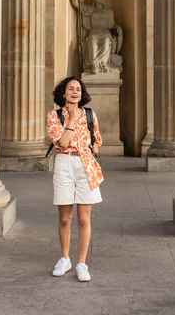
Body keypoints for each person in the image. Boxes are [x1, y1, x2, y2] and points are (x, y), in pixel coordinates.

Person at [47, 76, 103, 282]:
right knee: (64, 217)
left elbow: (97, 138)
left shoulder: (89, 114)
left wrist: (93, 148)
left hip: (86, 165)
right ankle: (64, 258)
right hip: (64, 163)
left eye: (78, 89)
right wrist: (71, 119)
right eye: (71, 88)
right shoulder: (54, 116)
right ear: (63, 93)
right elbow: (61, 143)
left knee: (83, 218)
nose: (75, 91)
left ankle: (81, 263)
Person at [69, 0, 123, 74]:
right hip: (94, 33)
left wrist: (118, 27)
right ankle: (94, 65)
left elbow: (111, 24)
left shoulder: (108, 11)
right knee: (92, 42)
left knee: (106, 41)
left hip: (105, 32)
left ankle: (104, 63)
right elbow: (77, 4)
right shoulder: (91, 9)